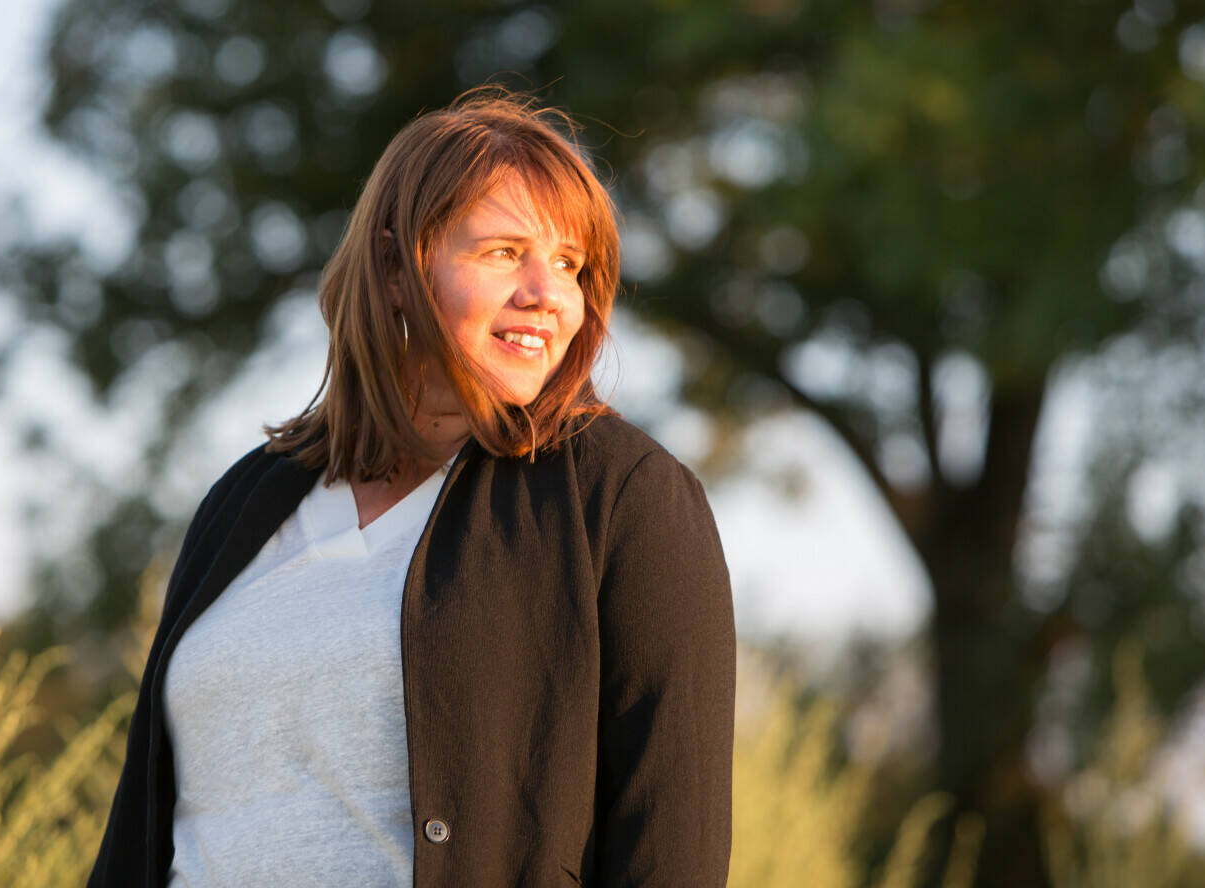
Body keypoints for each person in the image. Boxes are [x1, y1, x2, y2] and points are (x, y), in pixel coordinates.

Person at [88, 90, 736, 888]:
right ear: (396, 267)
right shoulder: (243, 502)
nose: (548, 292)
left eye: (571, 263)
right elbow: (141, 828)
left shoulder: (623, 496)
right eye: (505, 253)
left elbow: (671, 850)